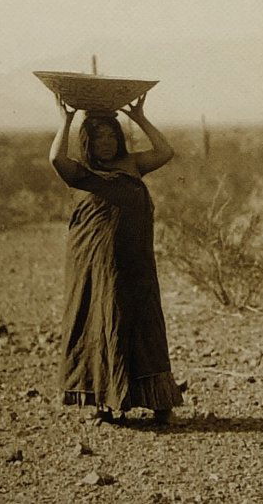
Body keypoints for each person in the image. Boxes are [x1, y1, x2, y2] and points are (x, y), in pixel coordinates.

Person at [49, 93, 183, 425]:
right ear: (87, 142)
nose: (106, 143)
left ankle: (159, 402)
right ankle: (102, 401)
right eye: (98, 137)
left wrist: (139, 117)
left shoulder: (133, 164)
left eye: (111, 135)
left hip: (136, 261)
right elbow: (55, 158)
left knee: (143, 322)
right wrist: (65, 119)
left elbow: (165, 151)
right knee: (102, 320)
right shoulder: (82, 173)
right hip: (99, 263)